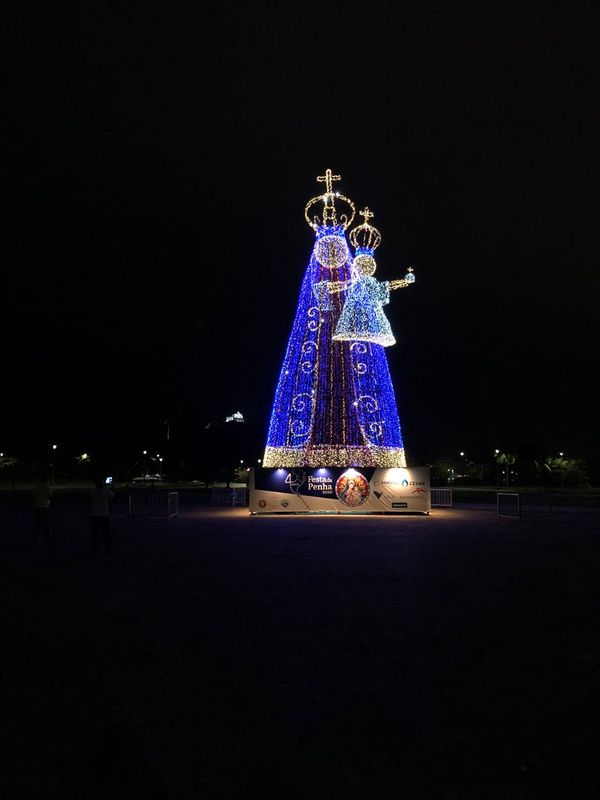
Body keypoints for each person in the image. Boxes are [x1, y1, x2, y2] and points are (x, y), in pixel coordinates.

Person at [89, 477, 114, 556]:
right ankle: (108, 549)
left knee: (95, 533)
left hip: (95, 514)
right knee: (106, 533)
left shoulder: (92, 491)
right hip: (104, 514)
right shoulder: (105, 491)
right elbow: (112, 496)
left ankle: (95, 549)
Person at [33, 476, 53, 543]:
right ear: (46, 480)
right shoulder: (47, 487)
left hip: (37, 506)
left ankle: (38, 538)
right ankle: (48, 538)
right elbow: (50, 496)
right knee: (47, 523)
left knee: (38, 523)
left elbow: (34, 496)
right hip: (45, 506)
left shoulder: (36, 487)